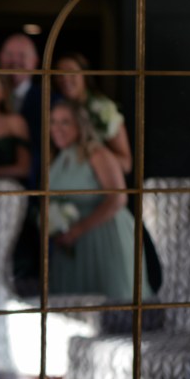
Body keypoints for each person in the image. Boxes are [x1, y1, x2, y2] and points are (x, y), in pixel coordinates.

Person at [48, 100, 152, 301]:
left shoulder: (97, 154)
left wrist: (78, 229)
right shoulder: (60, 158)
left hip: (104, 237)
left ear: (80, 125)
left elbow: (118, 198)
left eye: (65, 122)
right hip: (72, 244)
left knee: (112, 305)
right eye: (53, 121)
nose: (57, 128)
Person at [54, 52, 133, 174]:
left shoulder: (103, 110)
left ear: (85, 74)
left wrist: (94, 157)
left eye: (71, 71)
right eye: (59, 73)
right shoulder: (56, 108)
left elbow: (126, 164)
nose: (65, 77)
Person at [0, 33, 43, 189]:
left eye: (22, 55)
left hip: (35, 186)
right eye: (9, 54)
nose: (15, 61)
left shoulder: (49, 100)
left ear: (35, 61)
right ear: (0, 58)